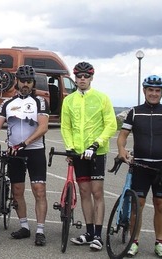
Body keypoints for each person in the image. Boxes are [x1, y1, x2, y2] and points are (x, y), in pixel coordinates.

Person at [0, 65, 49, 246]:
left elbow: (43, 127)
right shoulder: (7, 103)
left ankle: (40, 230)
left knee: (39, 191)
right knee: (17, 191)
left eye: (29, 82)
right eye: (23, 81)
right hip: (14, 152)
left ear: (33, 83)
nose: (25, 85)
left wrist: (25, 143)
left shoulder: (39, 102)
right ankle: (24, 226)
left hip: (35, 151)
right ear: (17, 82)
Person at [117, 75, 162, 257]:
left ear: (161, 92)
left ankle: (159, 243)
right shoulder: (135, 112)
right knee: (138, 205)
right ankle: (134, 242)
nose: (154, 93)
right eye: (150, 90)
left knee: (160, 205)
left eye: (157, 90)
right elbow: (122, 136)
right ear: (144, 91)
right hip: (141, 166)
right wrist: (122, 150)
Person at [61, 61, 117, 250]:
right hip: (78, 153)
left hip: (97, 153)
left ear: (92, 78)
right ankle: (90, 232)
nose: (82, 79)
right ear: (75, 79)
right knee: (84, 192)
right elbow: (65, 126)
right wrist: (70, 147)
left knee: (97, 192)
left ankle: (99, 236)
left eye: (86, 76)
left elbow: (111, 124)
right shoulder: (69, 100)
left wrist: (96, 144)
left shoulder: (102, 98)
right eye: (79, 76)